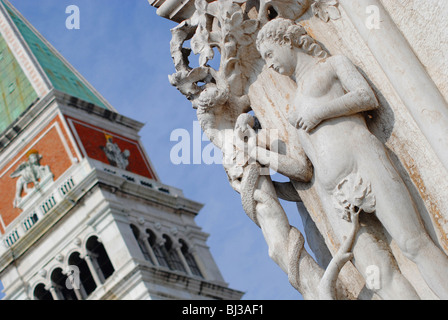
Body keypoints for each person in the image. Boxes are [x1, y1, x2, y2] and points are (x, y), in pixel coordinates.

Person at [255, 18, 448, 299]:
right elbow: (304, 172)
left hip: (364, 161)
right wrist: (260, 167)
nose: (270, 64)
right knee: (378, 275)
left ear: (287, 41)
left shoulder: (332, 66)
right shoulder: (294, 103)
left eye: (270, 54)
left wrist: (321, 113)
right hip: (332, 193)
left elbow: (366, 96)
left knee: (413, 243)